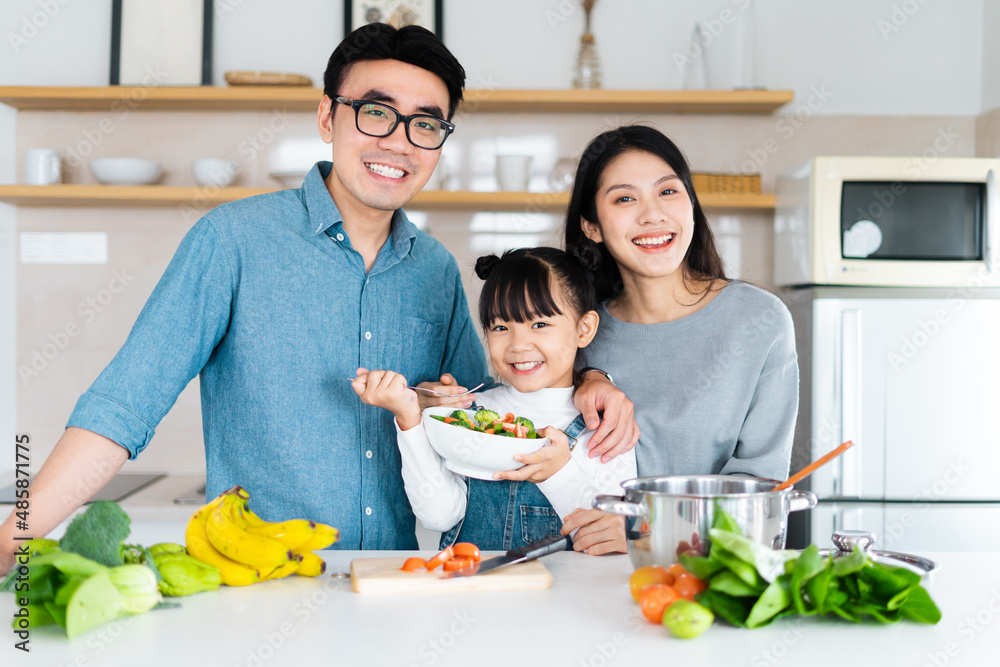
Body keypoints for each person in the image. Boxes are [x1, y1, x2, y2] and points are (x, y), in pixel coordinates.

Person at [0, 24, 636, 574]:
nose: (398, 141)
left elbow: (486, 413)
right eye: (375, 111)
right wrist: (15, 536)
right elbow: (122, 406)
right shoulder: (232, 240)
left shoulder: (435, 270)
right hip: (258, 572)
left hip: (397, 574)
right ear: (329, 117)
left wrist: (590, 378)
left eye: (426, 123)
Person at [352, 248, 636, 555]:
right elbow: (439, 516)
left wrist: (557, 473)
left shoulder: (606, 427)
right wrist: (409, 418)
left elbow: (606, 540)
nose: (518, 345)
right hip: (472, 594)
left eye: (539, 324)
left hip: (563, 598)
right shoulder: (471, 415)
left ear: (584, 329)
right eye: (500, 327)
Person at [564, 125, 798, 480]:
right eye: (625, 198)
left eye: (668, 191)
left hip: (715, 538)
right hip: (584, 536)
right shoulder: (576, 331)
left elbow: (760, 482)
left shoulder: (760, 320)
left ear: (691, 205)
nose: (652, 215)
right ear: (591, 226)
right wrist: (586, 377)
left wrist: (643, 528)